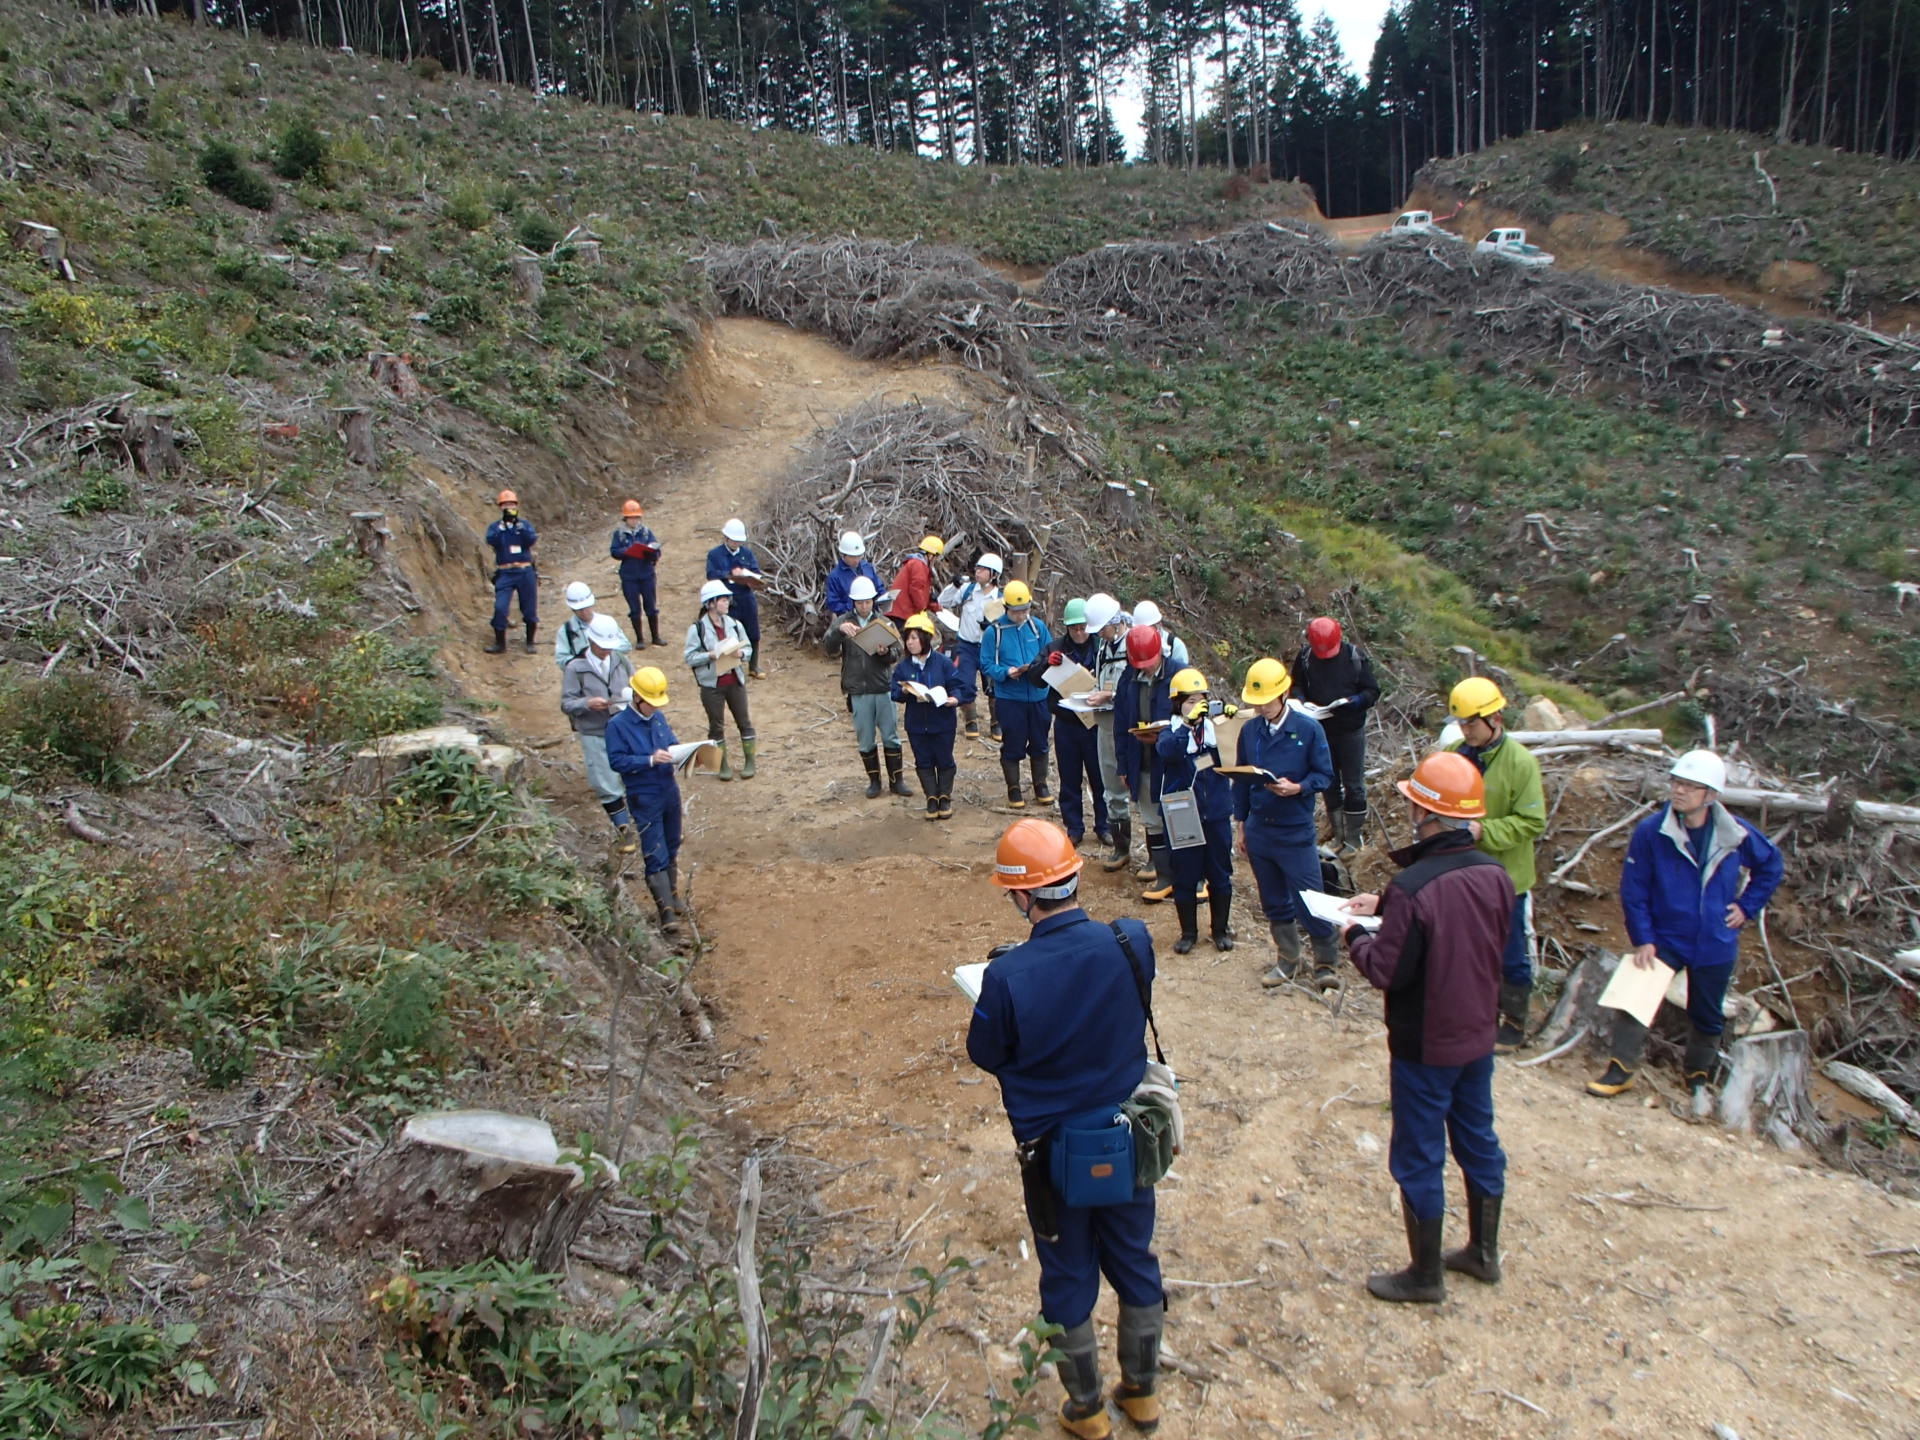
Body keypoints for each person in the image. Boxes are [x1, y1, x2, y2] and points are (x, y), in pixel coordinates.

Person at [966, 819, 1165, 1439]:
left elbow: (986, 1053)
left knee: (1068, 1271)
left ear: (1022, 898)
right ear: (1076, 875)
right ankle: (1142, 1394)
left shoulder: (1006, 979)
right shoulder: (1130, 940)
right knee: (1134, 1257)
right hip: (1127, 1136)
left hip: (1053, 1154)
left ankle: (1085, 1409)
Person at [1337, 751, 1515, 1304]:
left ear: (1429, 816)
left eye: (1415, 803)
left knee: (1418, 1152)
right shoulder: (1496, 875)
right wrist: (1386, 902)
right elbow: (1464, 926)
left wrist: (1355, 936)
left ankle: (1425, 1275)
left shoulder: (1415, 887)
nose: (1410, 810)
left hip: (1424, 1042)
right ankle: (1483, 1254)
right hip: (1477, 1033)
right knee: (1477, 1139)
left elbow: (1386, 970)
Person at [1588, 749, 1785, 1115]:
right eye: (1676, 782)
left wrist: (1746, 907)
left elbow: (1771, 865)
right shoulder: (1652, 832)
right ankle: (1621, 1069)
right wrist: (1642, 937)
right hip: (1665, 936)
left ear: (1710, 795)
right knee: (1635, 997)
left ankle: (1697, 1076)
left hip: (1715, 939)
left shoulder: (1735, 834)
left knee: (1708, 1013)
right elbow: (1634, 888)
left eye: (1689, 786)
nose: (1678, 791)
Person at [1444, 678, 1547, 1051]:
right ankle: (1475, 1011)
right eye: (1461, 723)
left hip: (1506, 879)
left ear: (1495, 717)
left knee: (1510, 952)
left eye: (1471, 722)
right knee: (1465, 947)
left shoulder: (1521, 764)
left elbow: (1532, 821)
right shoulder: (1456, 754)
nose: (1465, 730)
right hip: (1461, 874)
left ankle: (1515, 1022)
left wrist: (1482, 831)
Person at [1232, 658, 1337, 989]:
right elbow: (1242, 779)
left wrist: (1298, 788)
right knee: (1273, 898)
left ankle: (1325, 963)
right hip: (1261, 827)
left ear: (1283, 693)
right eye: (1256, 702)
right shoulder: (1250, 731)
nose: (1261, 708)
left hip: (1295, 829)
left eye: (1267, 701)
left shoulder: (1309, 729)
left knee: (1309, 896)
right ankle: (1287, 959)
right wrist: (1241, 825)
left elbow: (1325, 775)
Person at [1156, 670, 1235, 954]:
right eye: (1190, 701)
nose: (1196, 706)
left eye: (1201, 700)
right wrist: (1188, 725)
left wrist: (1230, 720)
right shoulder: (1171, 730)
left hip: (1215, 812)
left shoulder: (1215, 729)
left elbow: (1237, 750)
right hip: (1183, 813)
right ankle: (1188, 932)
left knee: (1220, 874)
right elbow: (1166, 751)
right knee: (1185, 876)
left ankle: (1220, 930)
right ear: (1178, 704)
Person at [603, 667, 685, 936]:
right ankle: (666, 913)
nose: (654, 707)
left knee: (672, 841)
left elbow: (671, 743)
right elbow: (617, 761)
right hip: (644, 794)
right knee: (654, 848)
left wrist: (684, 753)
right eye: (651, 702)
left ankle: (673, 896)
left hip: (668, 790)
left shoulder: (658, 717)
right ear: (637, 697)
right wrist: (648, 760)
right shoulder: (617, 726)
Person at [1292, 617, 1380, 852]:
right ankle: (1338, 833)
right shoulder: (1305, 658)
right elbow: (1297, 685)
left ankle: (1353, 837)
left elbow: (1372, 690)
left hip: (1350, 731)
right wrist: (1300, 701)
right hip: (1320, 731)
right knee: (1328, 782)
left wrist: (1356, 701)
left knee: (1354, 784)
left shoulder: (1355, 657)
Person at [823, 575, 911, 800]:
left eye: (868, 601)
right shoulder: (844, 622)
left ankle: (896, 781)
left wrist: (884, 653)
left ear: (873, 601)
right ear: (853, 602)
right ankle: (874, 782)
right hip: (858, 688)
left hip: (882, 686)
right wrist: (838, 631)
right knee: (865, 737)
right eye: (860, 602)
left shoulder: (885, 623)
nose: (864, 606)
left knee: (891, 735)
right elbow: (829, 648)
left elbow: (897, 653)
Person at [559, 614, 637, 852]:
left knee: (632, 774)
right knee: (605, 780)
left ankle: (640, 821)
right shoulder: (576, 668)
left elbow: (635, 685)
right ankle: (623, 829)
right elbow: (566, 703)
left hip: (623, 727)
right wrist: (587, 703)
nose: (606, 651)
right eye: (603, 647)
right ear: (591, 642)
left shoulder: (620, 661)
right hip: (595, 730)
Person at [1113, 624, 1175, 903]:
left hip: (1173, 763)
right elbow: (1120, 724)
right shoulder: (1128, 679)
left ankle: (1189, 876)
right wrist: (1124, 765)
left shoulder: (1179, 676)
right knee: (1152, 821)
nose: (1146, 670)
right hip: (1142, 760)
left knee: (1179, 819)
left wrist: (1164, 735)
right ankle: (1163, 876)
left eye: (1149, 664)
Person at [982, 580, 1055, 811]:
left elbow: (1050, 654)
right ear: (1006, 608)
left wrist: (1040, 668)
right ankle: (1013, 786)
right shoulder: (994, 632)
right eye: (1017, 611)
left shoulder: (1038, 627)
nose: (1022, 615)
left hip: (1038, 696)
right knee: (1013, 743)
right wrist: (1006, 672)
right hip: (1010, 698)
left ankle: (1040, 784)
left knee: (1040, 743)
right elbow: (985, 664)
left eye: (1025, 610)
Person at [890, 613, 970, 819]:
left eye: (914, 638)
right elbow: (894, 693)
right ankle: (931, 798)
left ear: (926, 639)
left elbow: (957, 686)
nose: (910, 642)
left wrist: (954, 699)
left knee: (944, 759)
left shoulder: (943, 662)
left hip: (942, 722)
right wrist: (905, 691)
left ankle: (945, 796)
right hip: (916, 724)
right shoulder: (904, 666)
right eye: (908, 638)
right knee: (923, 760)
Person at [1050, 598, 1110, 850]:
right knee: (1070, 778)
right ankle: (1074, 827)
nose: (1079, 633)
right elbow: (1035, 679)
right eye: (1074, 628)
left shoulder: (1102, 648)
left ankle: (1104, 826)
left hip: (1095, 723)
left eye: (1083, 627)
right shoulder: (1056, 647)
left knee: (1100, 778)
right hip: (1066, 723)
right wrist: (1046, 663)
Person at [1081, 593, 1135, 873]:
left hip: (1128, 725)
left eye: (1102, 628)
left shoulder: (1135, 644)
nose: (1100, 634)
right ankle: (1121, 847)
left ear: (1115, 622)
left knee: (1144, 790)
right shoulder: (1104, 647)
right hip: (1104, 724)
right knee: (1111, 790)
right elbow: (1102, 680)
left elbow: (1136, 688)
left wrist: (1109, 694)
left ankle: (1155, 855)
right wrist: (1093, 693)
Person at [685, 579, 756, 782]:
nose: (727, 603)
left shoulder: (735, 624)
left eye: (726, 600)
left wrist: (741, 653)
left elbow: (749, 649)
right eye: (723, 600)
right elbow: (689, 657)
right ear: (711, 603)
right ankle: (721, 765)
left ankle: (750, 761)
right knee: (716, 726)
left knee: (744, 722)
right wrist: (710, 655)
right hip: (712, 685)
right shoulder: (697, 629)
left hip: (734, 680)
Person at [937, 552, 1003, 740]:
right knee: (965, 682)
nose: (978, 572)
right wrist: (954, 585)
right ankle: (970, 720)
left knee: (993, 685)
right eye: (977, 568)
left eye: (983, 569)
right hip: (966, 645)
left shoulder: (1001, 598)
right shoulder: (967, 590)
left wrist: (992, 627)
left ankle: (996, 723)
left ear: (994, 574)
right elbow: (942, 602)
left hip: (990, 647)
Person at [705, 519, 766, 679]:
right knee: (727, 634)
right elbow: (711, 574)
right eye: (734, 540)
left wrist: (747, 574)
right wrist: (729, 574)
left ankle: (753, 666)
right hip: (726, 599)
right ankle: (728, 667)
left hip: (746, 596)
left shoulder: (746, 554)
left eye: (739, 540)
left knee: (753, 632)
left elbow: (756, 571)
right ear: (726, 538)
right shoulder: (715, 555)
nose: (736, 543)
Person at [484, 488, 538, 653]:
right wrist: (503, 527)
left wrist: (518, 526)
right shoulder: (495, 527)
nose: (508, 507)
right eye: (505, 504)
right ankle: (500, 644)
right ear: (500, 507)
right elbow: (491, 540)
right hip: (505, 572)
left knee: (529, 609)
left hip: (524, 571)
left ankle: (530, 642)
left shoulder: (524, 525)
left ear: (517, 506)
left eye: (511, 504)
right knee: (500, 607)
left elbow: (531, 539)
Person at [610, 499, 666, 649]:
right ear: (625, 518)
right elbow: (614, 551)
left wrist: (652, 553)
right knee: (634, 609)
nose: (634, 520)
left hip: (646, 574)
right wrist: (627, 551)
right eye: (631, 517)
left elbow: (656, 549)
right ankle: (640, 639)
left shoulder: (646, 532)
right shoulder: (619, 534)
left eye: (636, 517)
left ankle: (655, 637)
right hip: (629, 577)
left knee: (651, 606)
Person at [553, 582, 630, 669]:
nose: (584, 612)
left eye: (586, 607)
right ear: (573, 609)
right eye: (580, 609)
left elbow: (625, 646)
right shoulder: (566, 631)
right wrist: (581, 660)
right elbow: (562, 660)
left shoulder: (606, 622)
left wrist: (603, 649)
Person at [822, 530, 882, 621]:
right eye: (852, 557)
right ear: (843, 555)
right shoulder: (835, 576)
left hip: (872, 616)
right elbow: (833, 604)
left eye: (858, 556)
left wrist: (883, 598)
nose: (856, 560)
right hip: (849, 620)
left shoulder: (867, 568)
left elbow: (878, 587)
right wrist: (853, 607)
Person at [886, 535, 944, 630]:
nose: (935, 561)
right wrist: (922, 608)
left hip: (898, 611)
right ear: (930, 555)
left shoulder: (915, 564)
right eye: (936, 557)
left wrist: (935, 607)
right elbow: (916, 590)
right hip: (902, 613)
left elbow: (923, 593)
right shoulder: (919, 565)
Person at [1127, 600, 1188, 671]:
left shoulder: (1175, 646)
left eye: (1147, 630)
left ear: (1159, 625)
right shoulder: (1134, 645)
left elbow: (1183, 675)